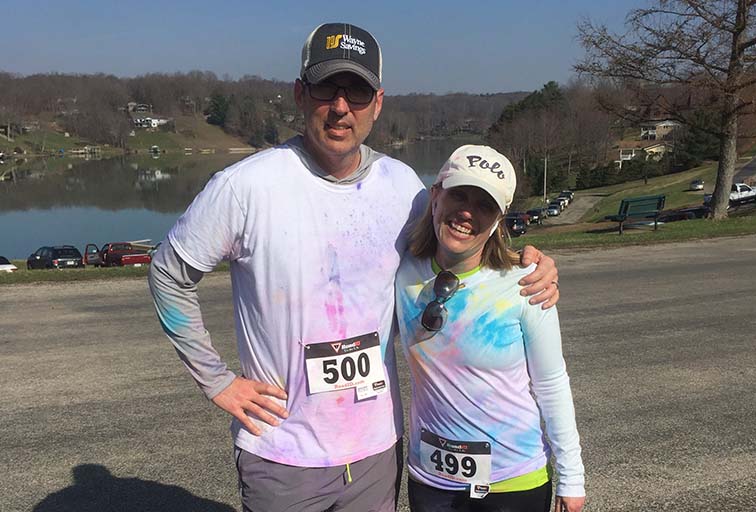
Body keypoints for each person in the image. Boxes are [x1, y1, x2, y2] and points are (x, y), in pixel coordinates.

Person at [148, 23, 561, 512]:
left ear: (378, 103)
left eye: (358, 92)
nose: (341, 106)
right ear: (301, 94)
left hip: (375, 453)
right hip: (283, 453)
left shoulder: (402, 187)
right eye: (327, 88)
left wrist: (522, 263)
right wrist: (217, 380)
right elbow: (168, 274)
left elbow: (455, 247)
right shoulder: (245, 187)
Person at [395, 145, 585, 512]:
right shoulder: (403, 273)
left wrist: (571, 476)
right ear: (435, 196)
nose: (467, 212)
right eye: (459, 195)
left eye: (484, 205)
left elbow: (551, 383)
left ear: (499, 219)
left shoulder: (526, 283)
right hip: (431, 481)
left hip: (512, 483)